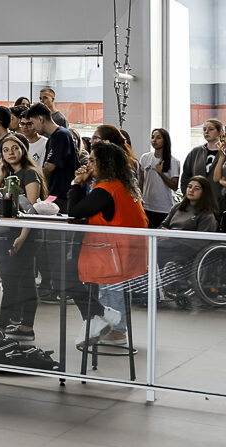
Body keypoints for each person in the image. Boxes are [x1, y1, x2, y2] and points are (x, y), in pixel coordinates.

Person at [67, 140, 148, 349]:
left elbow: (74, 211)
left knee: (99, 286)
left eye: (93, 161)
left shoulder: (106, 189)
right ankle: (100, 318)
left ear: (105, 163)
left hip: (112, 253)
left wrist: (77, 183)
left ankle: (112, 327)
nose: (88, 164)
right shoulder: (122, 186)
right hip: (125, 251)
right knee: (103, 287)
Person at [0, 134, 45, 338]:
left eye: (15, 148)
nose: (11, 153)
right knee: (23, 281)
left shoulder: (29, 173)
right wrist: (0, 174)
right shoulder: (8, 175)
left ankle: (2, 325)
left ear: (24, 149)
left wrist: (22, 237)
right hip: (8, 233)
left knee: (12, 281)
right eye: (6, 150)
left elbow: (31, 210)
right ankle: (25, 327)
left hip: (25, 234)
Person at [26, 104, 78, 206]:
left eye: (32, 123)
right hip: (54, 194)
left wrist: (46, 167)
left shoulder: (62, 135)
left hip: (63, 195)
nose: (32, 127)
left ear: (41, 119)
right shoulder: (51, 139)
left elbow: (50, 167)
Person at [137, 128, 178, 229]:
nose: (154, 140)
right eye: (152, 137)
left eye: (158, 138)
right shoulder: (145, 157)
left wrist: (161, 173)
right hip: (147, 206)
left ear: (165, 140)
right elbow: (141, 181)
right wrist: (140, 199)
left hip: (164, 208)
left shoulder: (173, 161)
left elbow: (174, 186)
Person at [182, 118, 224, 188]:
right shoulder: (195, 152)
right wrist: (187, 192)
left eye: (211, 129)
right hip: (198, 194)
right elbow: (186, 175)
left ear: (220, 132)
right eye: (204, 129)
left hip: (219, 194)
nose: (206, 132)